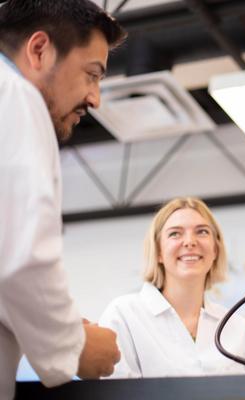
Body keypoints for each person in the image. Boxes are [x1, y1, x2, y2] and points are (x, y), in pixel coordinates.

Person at [0, 0, 127, 397]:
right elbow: (21, 259)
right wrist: (74, 346)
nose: (95, 99)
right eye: (91, 75)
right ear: (39, 50)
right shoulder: (16, 96)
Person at [99, 197, 245, 378]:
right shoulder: (123, 315)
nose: (190, 242)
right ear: (158, 251)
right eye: (175, 234)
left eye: (202, 232)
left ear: (215, 250)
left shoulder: (239, 329)